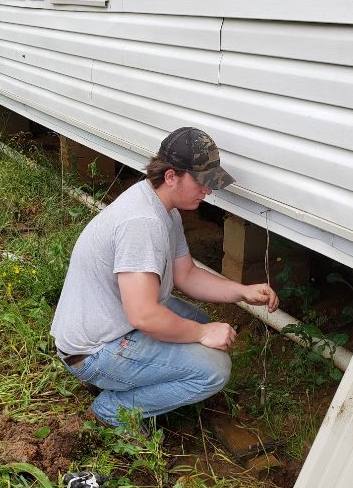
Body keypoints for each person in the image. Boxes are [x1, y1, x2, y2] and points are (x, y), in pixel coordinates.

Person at [50, 127, 279, 428]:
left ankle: (128, 381)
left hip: (109, 326)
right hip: (93, 352)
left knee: (196, 320)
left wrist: (242, 290)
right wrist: (201, 334)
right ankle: (113, 409)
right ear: (171, 176)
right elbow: (144, 316)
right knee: (213, 369)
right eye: (201, 182)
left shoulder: (161, 209)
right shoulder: (142, 223)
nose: (207, 191)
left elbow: (187, 274)